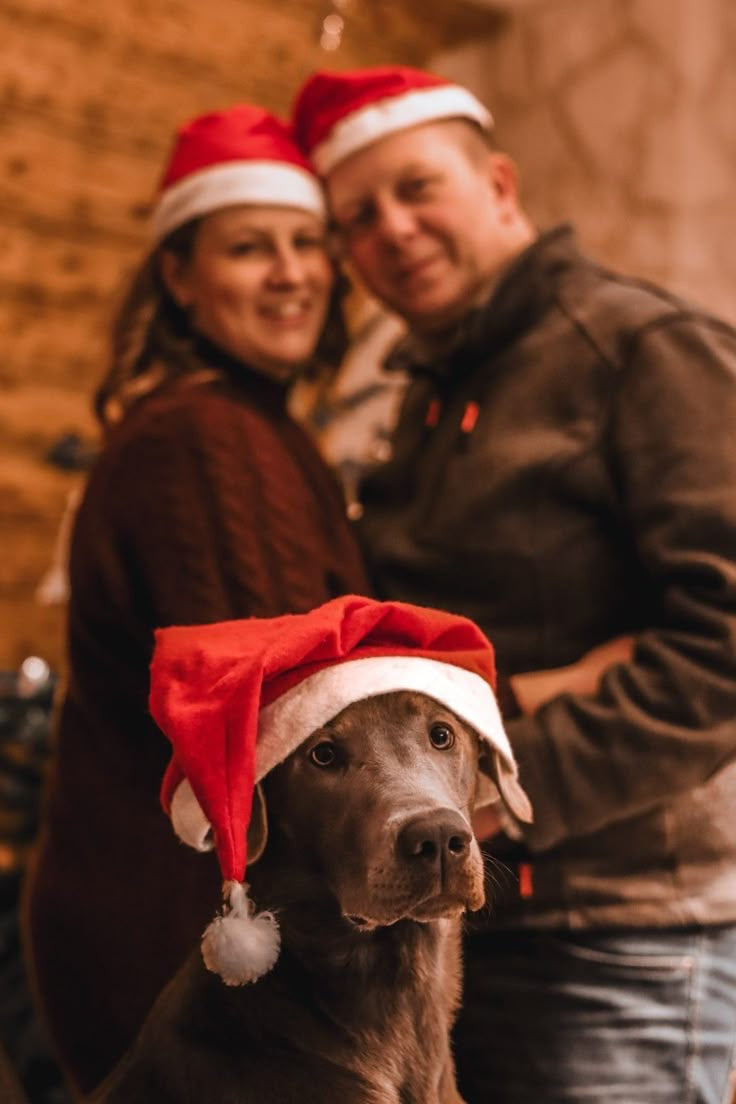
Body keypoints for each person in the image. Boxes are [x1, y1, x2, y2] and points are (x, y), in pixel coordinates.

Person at [291, 66, 736, 1103]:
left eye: (417, 189)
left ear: (498, 184)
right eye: (358, 219)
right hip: (452, 926)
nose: (392, 231)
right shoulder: (426, 392)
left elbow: (722, 648)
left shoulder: (641, 350)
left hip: (615, 940)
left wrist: (493, 793)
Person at [22, 103, 370, 1097]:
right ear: (178, 276)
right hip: (184, 955)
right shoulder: (206, 441)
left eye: (307, 243)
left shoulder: (253, 424)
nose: (292, 272)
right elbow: (294, 711)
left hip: (188, 938)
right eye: (250, 248)